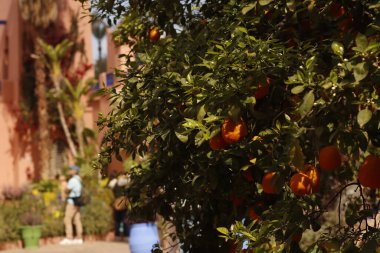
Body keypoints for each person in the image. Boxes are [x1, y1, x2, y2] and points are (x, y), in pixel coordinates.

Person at [59, 165, 83, 245]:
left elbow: (67, 189)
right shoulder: (79, 179)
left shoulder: (73, 180)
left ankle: (69, 238)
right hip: (77, 202)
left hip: (72, 202)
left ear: (74, 171)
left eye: (71, 169)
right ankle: (79, 238)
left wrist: (64, 185)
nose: (69, 171)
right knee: (77, 220)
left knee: (67, 219)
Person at [108, 172, 131, 241]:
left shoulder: (115, 184)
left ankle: (117, 236)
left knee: (117, 221)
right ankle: (126, 236)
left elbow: (112, 191)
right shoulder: (126, 184)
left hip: (117, 204)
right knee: (125, 220)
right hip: (124, 204)